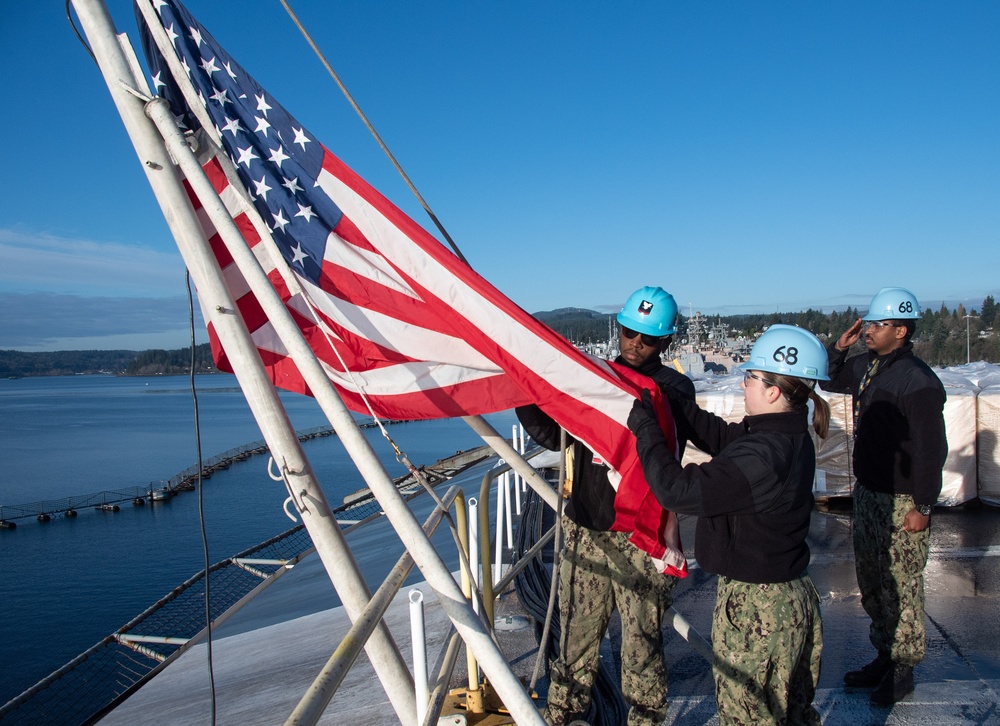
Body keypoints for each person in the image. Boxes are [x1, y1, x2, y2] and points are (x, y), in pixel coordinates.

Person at [627, 324, 830, 725]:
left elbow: (675, 489)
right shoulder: (785, 434)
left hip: (760, 607)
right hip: (790, 596)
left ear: (773, 391)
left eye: (751, 377)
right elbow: (722, 436)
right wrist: (673, 404)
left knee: (748, 717)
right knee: (790, 713)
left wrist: (645, 428)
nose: (743, 385)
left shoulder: (764, 455)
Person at [516, 286, 696, 726]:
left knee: (641, 642)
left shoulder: (673, 389)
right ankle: (563, 713)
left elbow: (668, 446)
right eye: (629, 332)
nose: (635, 343)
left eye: (648, 338)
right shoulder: (592, 379)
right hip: (585, 527)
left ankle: (645, 719)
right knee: (576, 633)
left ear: (666, 342)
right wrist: (523, 384)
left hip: (641, 533)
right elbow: (548, 434)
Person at [821, 286, 947, 706]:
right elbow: (830, 377)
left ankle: (903, 669)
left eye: (878, 324)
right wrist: (839, 347)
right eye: (870, 323)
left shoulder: (919, 382)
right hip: (870, 493)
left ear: (902, 329)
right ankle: (884, 654)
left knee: (902, 585)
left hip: (902, 500)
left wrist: (923, 506)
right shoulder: (869, 366)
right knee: (872, 579)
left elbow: (932, 451)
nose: (870, 330)